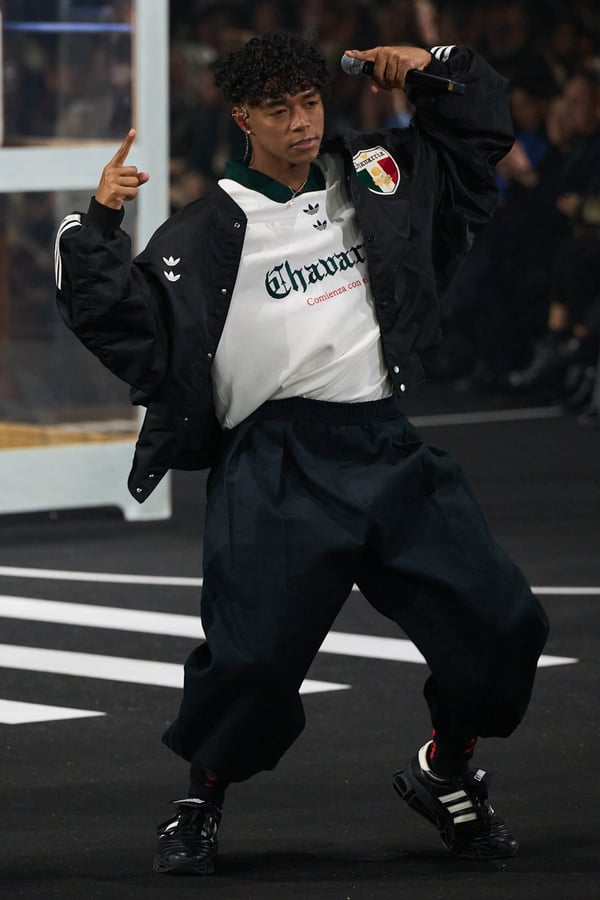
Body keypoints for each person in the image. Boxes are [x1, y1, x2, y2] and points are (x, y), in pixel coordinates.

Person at [54, 32, 549, 877]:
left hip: (384, 443)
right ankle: (201, 800)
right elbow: (108, 315)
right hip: (276, 462)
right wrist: (99, 220)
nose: (300, 123)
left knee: (502, 624)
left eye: (310, 103)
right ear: (242, 117)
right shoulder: (200, 232)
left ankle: (447, 769)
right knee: (248, 660)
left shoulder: (374, 178)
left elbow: (478, 134)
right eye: (278, 109)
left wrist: (431, 67)